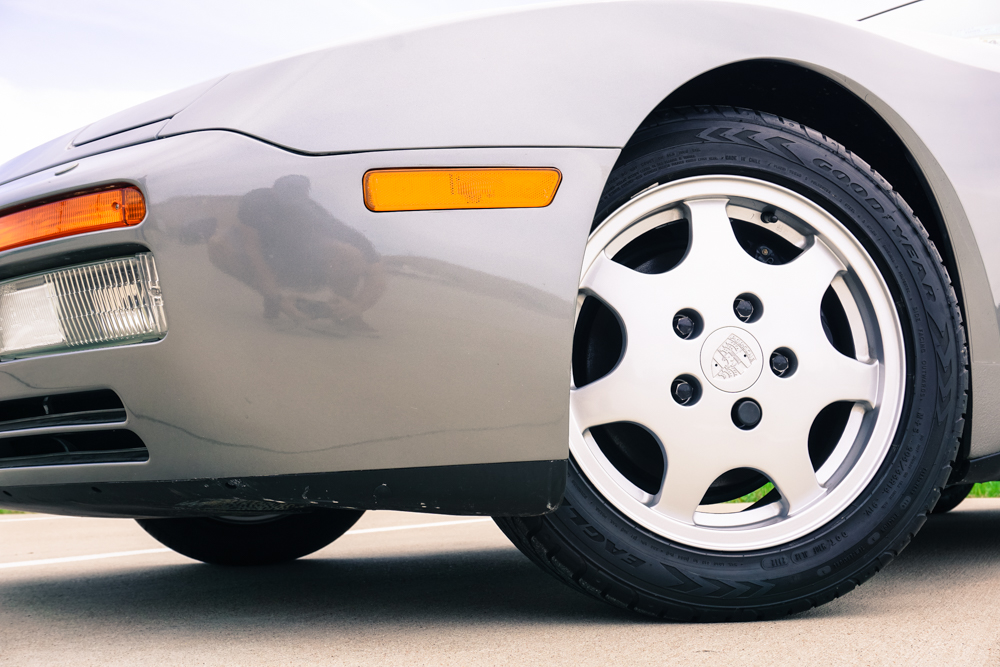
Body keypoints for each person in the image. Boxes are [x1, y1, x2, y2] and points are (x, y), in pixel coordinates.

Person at [209, 174, 386, 332]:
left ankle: (342, 311)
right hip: (266, 260)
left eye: (294, 202)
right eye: (284, 199)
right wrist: (275, 296)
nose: (288, 208)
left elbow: (376, 270)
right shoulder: (256, 202)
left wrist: (357, 306)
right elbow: (252, 248)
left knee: (351, 255)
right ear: (273, 192)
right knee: (218, 244)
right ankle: (274, 300)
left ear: (305, 198)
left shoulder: (319, 217)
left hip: (302, 266)